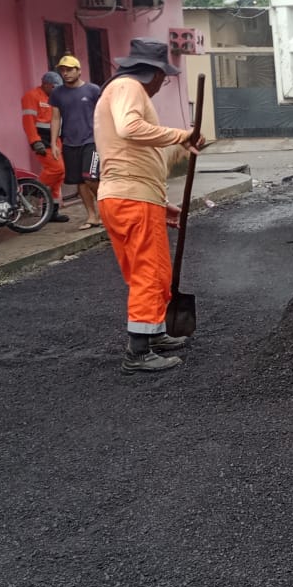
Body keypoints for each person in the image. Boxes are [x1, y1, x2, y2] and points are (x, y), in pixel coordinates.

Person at [93, 39, 206, 374]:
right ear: (155, 74)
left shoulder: (120, 89)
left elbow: (134, 151)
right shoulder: (128, 87)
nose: (161, 85)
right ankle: (138, 352)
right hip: (131, 196)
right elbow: (129, 129)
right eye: (163, 79)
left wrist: (161, 202)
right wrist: (181, 135)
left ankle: (154, 333)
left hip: (132, 195)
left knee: (151, 271)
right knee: (148, 273)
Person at [49, 55, 103, 230]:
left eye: (69, 70)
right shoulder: (57, 93)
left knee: (90, 178)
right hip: (70, 142)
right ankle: (92, 216)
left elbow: (103, 113)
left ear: (79, 71)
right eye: (62, 70)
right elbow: (55, 118)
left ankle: (108, 210)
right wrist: (53, 143)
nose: (66, 73)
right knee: (80, 181)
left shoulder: (93, 90)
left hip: (91, 140)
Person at [21, 71, 68, 222]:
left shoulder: (55, 97)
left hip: (55, 139)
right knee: (56, 169)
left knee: (59, 175)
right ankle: (33, 190)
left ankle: (51, 212)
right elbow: (28, 121)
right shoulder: (32, 96)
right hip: (42, 140)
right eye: (54, 86)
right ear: (46, 84)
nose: (56, 89)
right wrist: (35, 141)